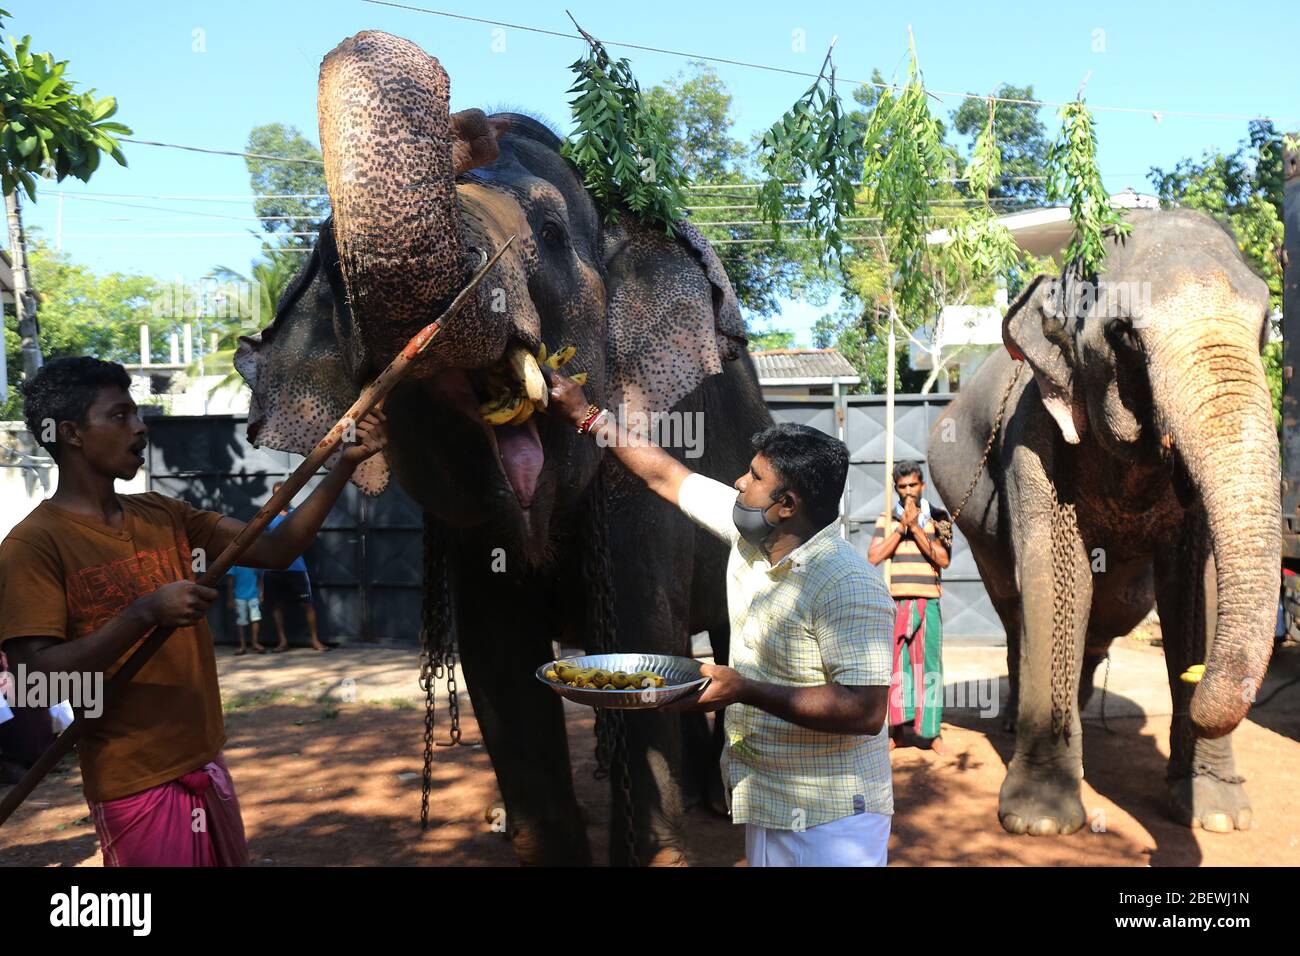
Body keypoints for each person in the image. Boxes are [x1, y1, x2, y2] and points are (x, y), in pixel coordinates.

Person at [0, 357, 387, 866]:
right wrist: (141, 614)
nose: (140, 427)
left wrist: (343, 464)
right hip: (133, 783)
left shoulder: (165, 514)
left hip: (205, 761)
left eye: (136, 413)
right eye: (119, 416)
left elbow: (277, 549)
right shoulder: (33, 545)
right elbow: (34, 678)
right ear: (70, 433)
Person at [547, 373, 895, 867]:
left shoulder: (849, 585)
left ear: (787, 506)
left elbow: (865, 711)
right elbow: (664, 474)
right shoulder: (750, 539)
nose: (739, 482)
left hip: (833, 818)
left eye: (754, 478)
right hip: (769, 800)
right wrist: (586, 416)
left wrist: (744, 689)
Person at [867, 460, 952, 754]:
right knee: (897, 667)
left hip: (928, 600)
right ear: (896, 488)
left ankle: (931, 732)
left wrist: (915, 529)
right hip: (896, 601)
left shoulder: (939, 517)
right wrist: (900, 529)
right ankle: (897, 731)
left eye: (913, 485)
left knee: (929, 666)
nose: (908, 492)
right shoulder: (887, 518)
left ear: (922, 486)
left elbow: (943, 559)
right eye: (902, 487)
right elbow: (874, 556)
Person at [262, 481, 328, 653]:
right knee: (276, 605)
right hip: (274, 568)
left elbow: (309, 535)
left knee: (307, 604)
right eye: (277, 493)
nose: (280, 496)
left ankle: (315, 640)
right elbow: (260, 541)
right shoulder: (267, 517)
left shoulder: (297, 514)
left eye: (283, 492)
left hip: (296, 567)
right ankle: (282, 641)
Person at [226, 565, 265, 655]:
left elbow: (260, 579)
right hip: (239, 596)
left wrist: (261, 594)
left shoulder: (254, 563)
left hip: (254, 595)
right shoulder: (234, 564)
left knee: (256, 618)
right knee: (241, 621)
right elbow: (230, 582)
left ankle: (254, 643)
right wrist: (230, 599)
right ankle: (242, 645)